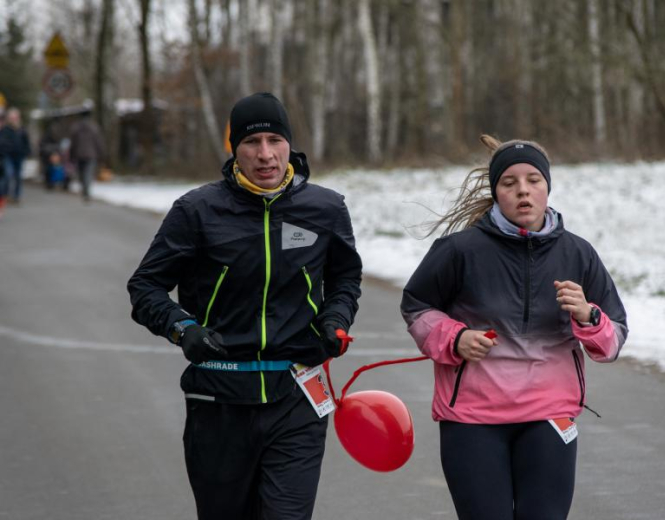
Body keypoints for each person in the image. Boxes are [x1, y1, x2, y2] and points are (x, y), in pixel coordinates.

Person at [127, 92, 362, 520]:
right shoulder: (197, 211)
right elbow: (145, 288)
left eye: (275, 139)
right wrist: (183, 328)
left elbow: (345, 277)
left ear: (291, 143)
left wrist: (335, 319)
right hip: (218, 402)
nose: (265, 154)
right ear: (234, 148)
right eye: (252, 143)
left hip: (297, 396)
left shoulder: (325, 208)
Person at [401, 135, 628, 520]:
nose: (523, 190)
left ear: (547, 187)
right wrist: (455, 338)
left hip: (548, 415)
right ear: (496, 192)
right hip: (473, 419)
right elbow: (416, 307)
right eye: (509, 183)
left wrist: (588, 317)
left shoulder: (578, 253)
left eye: (533, 180)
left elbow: (614, 339)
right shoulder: (460, 250)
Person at [68, 111, 104, 202]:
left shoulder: (76, 128)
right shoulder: (94, 127)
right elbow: (98, 142)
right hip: (91, 154)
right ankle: (86, 192)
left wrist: (71, 155)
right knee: (87, 173)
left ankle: (85, 191)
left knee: (81, 174)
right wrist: (101, 153)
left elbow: (73, 143)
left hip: (79, 154)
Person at [0, 107, 30, 204]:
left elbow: (26, 142)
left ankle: (16, 196)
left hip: (19, 156)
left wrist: (27, 152)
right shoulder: (5, 129)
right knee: (8, 174)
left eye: (15, 118)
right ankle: (6, 194)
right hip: (8, 156)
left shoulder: (22, 129)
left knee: (18, 176)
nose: (14, 120)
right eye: (12, 118)